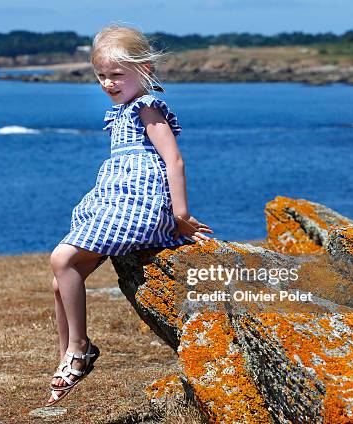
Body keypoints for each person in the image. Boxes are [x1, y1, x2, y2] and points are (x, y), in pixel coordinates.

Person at [46, 24, 213, 406]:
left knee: (61, 259)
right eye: (101, 75)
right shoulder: (118, 113)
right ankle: (70, 354)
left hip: (140, 203)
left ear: (145, 70)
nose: (108, 82)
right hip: (115, 199)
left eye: (117, 74)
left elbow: (174, 160)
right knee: (61, 280)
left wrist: (181, 214)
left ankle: (78, 348)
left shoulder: (146, 107)